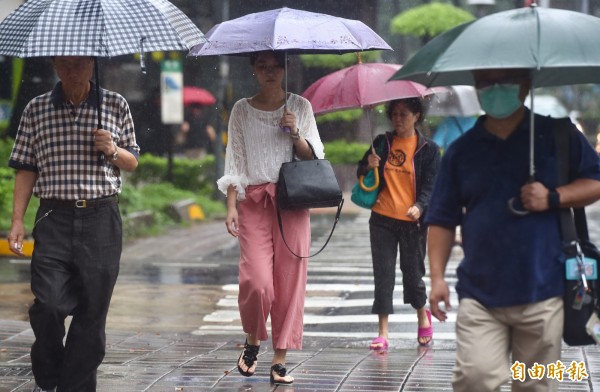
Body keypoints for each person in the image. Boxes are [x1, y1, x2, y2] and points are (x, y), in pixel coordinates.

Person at [426, 68, 600, 392]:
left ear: (525, 84)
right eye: (485, 82)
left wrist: (552, 197)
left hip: (542, 292)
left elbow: (595, 181)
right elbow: (441, 218)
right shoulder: (462, 151)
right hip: (479, 295)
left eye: (504, 81)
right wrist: (436, 278)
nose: (494, 89)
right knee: (476, 379)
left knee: (533, 385)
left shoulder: (557, 135)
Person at [6, 56, 140, 392]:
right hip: (54, 217)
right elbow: (26, 168)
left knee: (92, 315)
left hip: (101, 220)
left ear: (92, 65)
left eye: (79, 64)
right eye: (65, 64)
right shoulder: (36, 109)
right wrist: (17, 220)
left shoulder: (114, 103)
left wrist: (112, 149)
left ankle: (74, 386)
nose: (73, 71)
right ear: (55, 65)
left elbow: (132, 160)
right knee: (49, 304)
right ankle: (50, 373)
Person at [217, 50, 324, 385]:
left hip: (292, 201)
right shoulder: (241, 110)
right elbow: (234, 159)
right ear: (253, 70)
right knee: (256, 281)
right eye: (262, 66)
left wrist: (295, 133)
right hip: (254, 202)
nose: (269, 71)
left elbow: (315, 155)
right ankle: (252, 337)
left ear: (284, 68)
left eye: (276, 65)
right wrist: (232, 204)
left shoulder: (300, 107)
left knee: (290, 281)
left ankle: (280, 358)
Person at [356, 98, 441, 350]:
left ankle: (421, 315)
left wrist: (420, 206)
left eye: (404, 114)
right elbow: (361, 172)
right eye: (394, 113)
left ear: (416, 116)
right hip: (382, 219)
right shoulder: (382, 142)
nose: (398, 118)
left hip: (412, 222)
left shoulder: (429, 149)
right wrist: (368, 166)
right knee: (383, 276)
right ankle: (383, 332)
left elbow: (431, 185)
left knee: (413, 274)